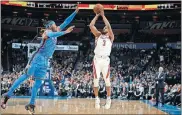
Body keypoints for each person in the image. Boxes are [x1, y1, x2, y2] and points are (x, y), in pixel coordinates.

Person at [1, 7, 79, 114]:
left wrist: (75, 12)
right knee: (25, 76)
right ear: (51, 26)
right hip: (38, 58)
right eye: (55, 25)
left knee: (38, 83)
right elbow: (53, 35)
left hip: (46, 61)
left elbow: (66, 21)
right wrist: (66, 32)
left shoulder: (56, 30)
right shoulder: (47, 32)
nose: (57, 26)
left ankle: (31, 104)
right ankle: (8, 94)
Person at [89, 10, 114, 109]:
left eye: (107, 28)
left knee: (107, 81)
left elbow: (109, 25)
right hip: (97, 60)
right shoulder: (98, 35)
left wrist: (103, 16)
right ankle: (97, 99)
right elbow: (91, 26)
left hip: (105, 61)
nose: (106, 28)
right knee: (96, 81)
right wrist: (96, 16)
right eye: (105, 27)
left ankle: (108, 99)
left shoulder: (111, 37)